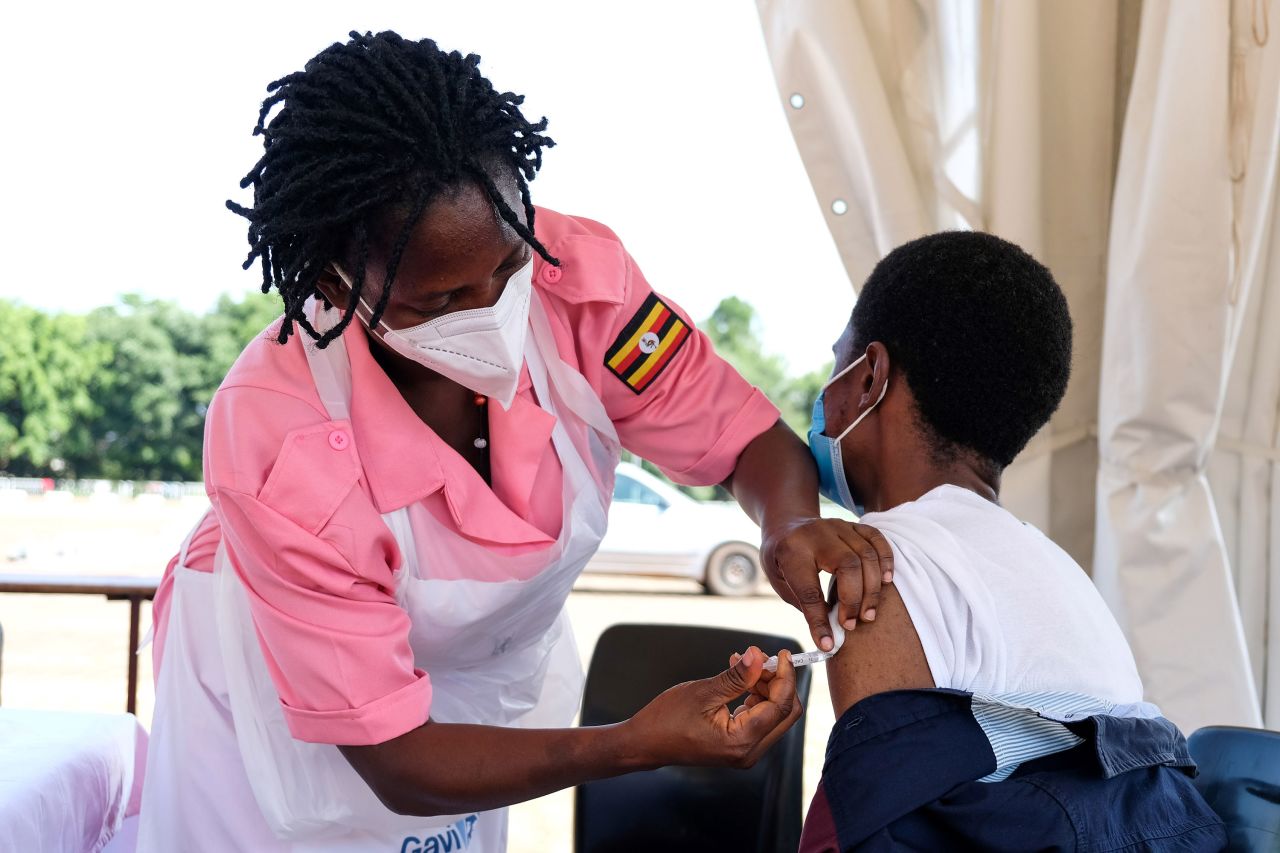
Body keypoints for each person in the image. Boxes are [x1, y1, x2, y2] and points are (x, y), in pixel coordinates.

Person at [136, 31, 893, 852]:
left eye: (506, 268)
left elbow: (750, 439)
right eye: (441, 300)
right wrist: (631, 741)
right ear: (332, 282)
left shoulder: (576, 280)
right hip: (290, 706)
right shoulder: (281, 438)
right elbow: (395, 757)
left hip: (462, 710)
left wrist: (785, 525)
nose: (496, 311)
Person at [759, 232, 1226, 851]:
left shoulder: (880, 564)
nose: (824, 397)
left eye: (837, 365)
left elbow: (883, 832)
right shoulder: (1060, 573)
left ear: (870, 376)